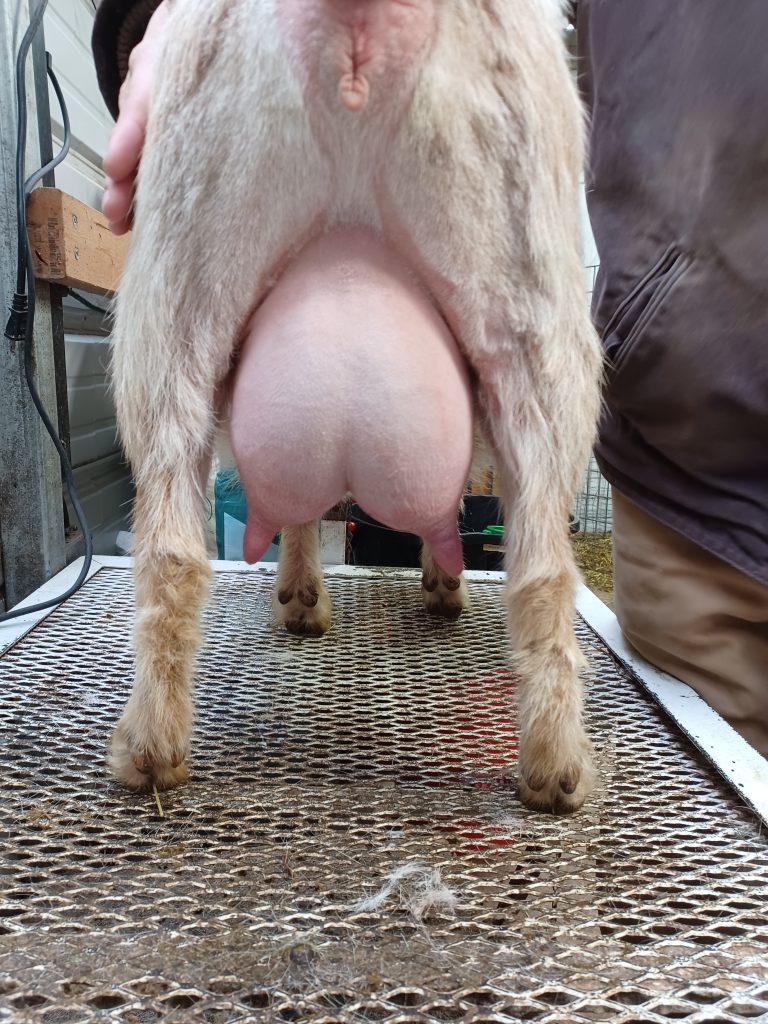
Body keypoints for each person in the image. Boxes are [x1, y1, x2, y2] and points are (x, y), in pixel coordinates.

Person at [91, 0, 768, 756]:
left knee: (182, 347)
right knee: (523, 356)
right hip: (703, 464)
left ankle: (160, 707)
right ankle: (551, 710)